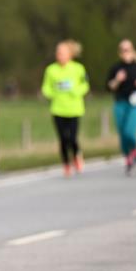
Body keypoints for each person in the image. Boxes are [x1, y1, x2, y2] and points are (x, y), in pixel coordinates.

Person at [41, 40, 90, 177]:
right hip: (58, 109)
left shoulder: (78, 68)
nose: (59, 55)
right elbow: (45, 88)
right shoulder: (51, 70)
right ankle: (66, 164)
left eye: (62, 52)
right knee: (62, 139)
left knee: (72, 138)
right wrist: (53, 92)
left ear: (70, 54)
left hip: (74, 109)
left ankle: (76, 156)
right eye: (58, 52)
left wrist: (75, 91)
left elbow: (85, 86)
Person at [105, 39, 136, 175]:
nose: (126, 53)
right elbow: (109, 87)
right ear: (119, 53)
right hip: (121, 102)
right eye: (123, 50)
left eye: (128, 49)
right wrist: (117, 80)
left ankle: (135, 151)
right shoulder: (116, 68)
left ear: (133, 51)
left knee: (130, 131)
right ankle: (128, 157)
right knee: (122, 133)